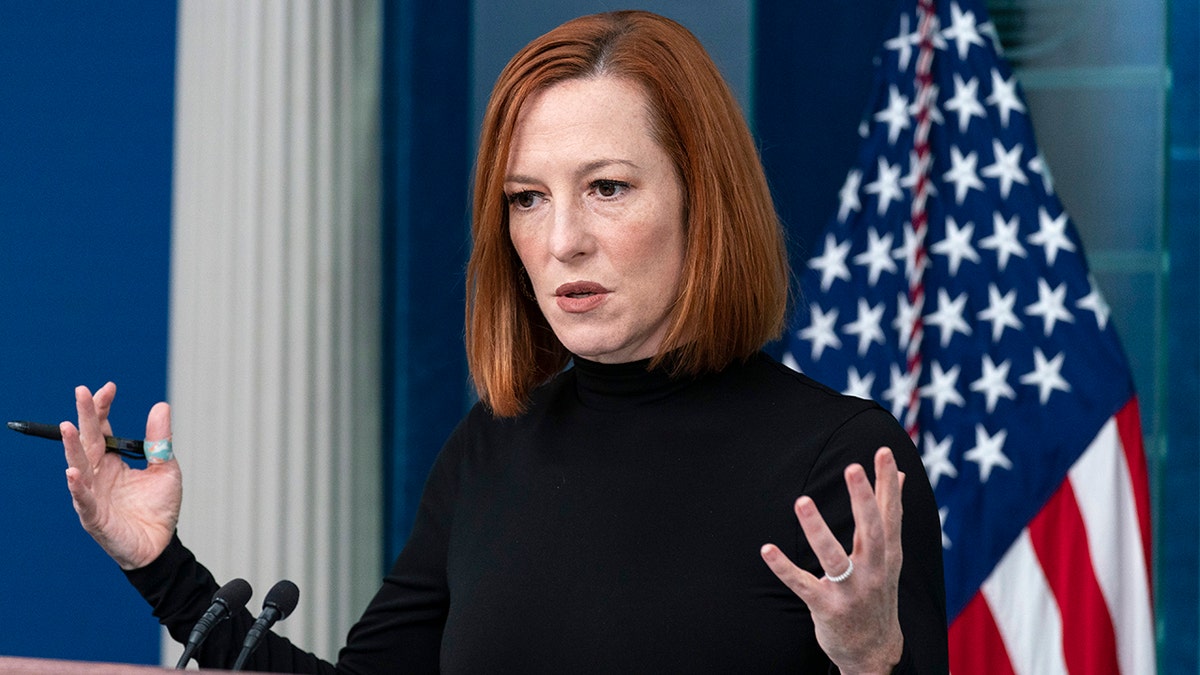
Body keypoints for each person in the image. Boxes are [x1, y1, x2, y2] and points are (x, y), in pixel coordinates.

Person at [61, 10, 948, 673]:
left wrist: (875, 661)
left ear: (700, 203)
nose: (562, 239)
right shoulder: (493, 444)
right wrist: (162, 569)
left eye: (606, 186)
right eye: (527, 198)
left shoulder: (842, 459)